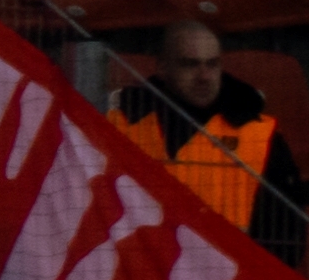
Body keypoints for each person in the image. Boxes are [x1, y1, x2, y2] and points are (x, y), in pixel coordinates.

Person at [115, 15, 297, 253]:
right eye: (190, 64)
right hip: (145, 275)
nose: (204, 76)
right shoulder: (121, 125)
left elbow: (285, 235)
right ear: (162, 67)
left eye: (212, 64)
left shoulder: (260, 134)